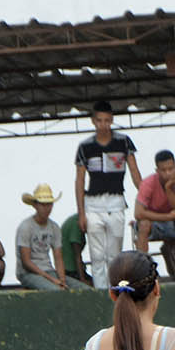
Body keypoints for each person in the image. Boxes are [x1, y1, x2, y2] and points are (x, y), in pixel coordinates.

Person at [74, 100, 141, 282]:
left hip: (117, 202)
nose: (103, 125)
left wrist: (144, 196)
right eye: (99, 121)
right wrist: (81, 213)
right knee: (96, 255)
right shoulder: (85, 147)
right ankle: (100, 292)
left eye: (107, 121)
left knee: (114, 254)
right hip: (93, 205)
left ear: (112, 120)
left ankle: (114, 291)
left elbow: (135, 171)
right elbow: (80, 181)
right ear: (93, 121)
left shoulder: (123, 142)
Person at [134, 150, 175, 276]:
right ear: (157, 170)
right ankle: (144, 269)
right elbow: (138, 213)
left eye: (171, 169)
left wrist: (168, 190)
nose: (168, 173)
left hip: (173, 221)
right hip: (153, 221)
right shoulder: (148, 183)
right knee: (143, 224)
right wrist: (166, 216)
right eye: (163, 170)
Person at [15, 183, 86, 291]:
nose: (46, 208)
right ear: (35, 205)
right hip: (28, 273)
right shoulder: (26, 227)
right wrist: (52, 279)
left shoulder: (54, 227)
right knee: (55, 291)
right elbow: (26, 262)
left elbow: (58, 257)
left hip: (49, 271)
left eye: (49, 204)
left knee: (83, 289)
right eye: (42, 204)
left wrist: (61, 280)